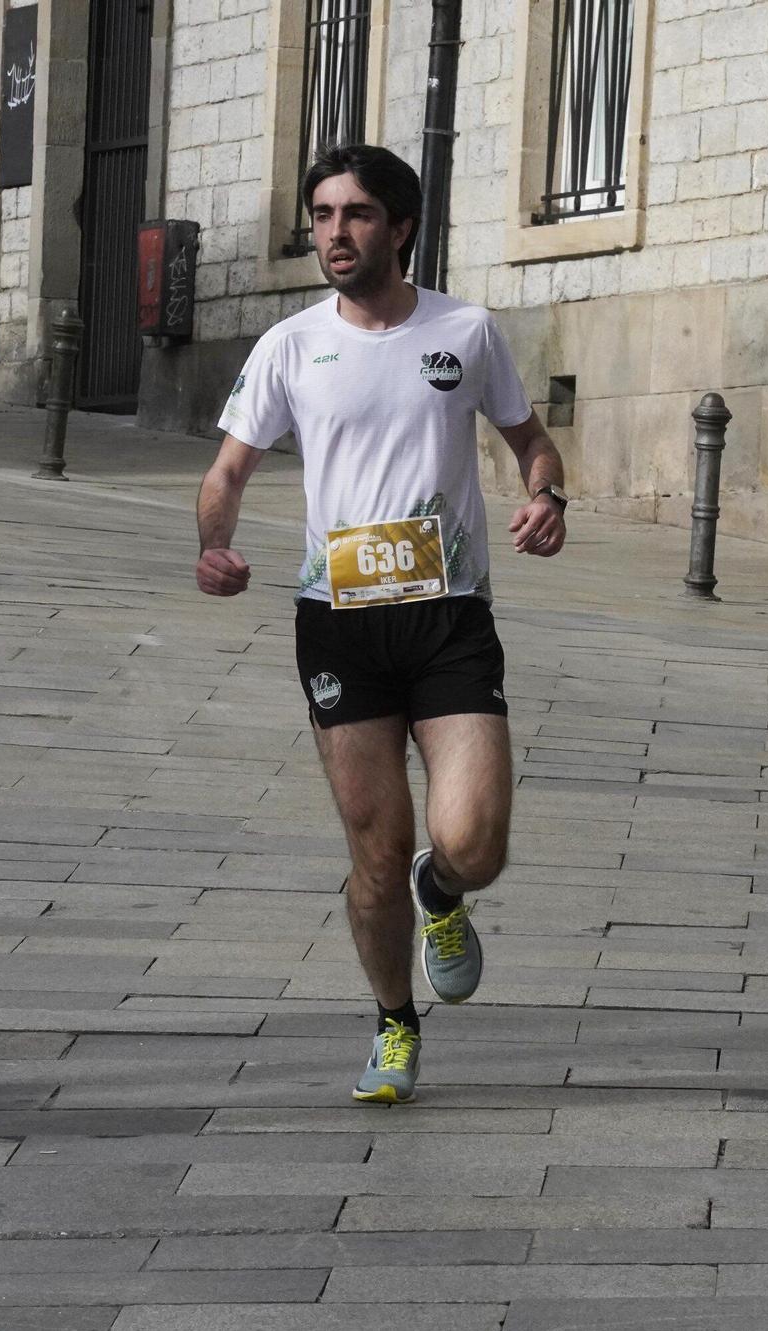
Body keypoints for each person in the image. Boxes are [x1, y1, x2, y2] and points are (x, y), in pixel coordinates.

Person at [194, 144, 569, 1105]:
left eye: (356, 214)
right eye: (322, 215)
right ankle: (395, 1020)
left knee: (474, 840)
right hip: (340, 624)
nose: (334, 233)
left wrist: (547, 495)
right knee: (374, 845)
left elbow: (530, 439)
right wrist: (213, 544)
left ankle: (441, 891)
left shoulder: (466, 331)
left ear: (400, 227)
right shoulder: (290, 345)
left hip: (449, 617)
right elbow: (228, 469)